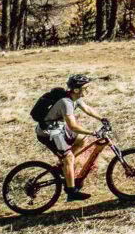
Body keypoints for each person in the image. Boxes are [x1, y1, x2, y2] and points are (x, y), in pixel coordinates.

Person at [36, 73, 107, 202]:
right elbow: (73, 126)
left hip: (58, 128)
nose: (88, 90)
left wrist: (102, 118)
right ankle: (71, 192)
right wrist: (93, 132)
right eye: (86, 88)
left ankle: (65, 167)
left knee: (82, 140)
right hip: (48, 132)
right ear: (76, 89)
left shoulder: (75, 97)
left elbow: (87, 109)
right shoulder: (66, 102)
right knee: (68, 157)